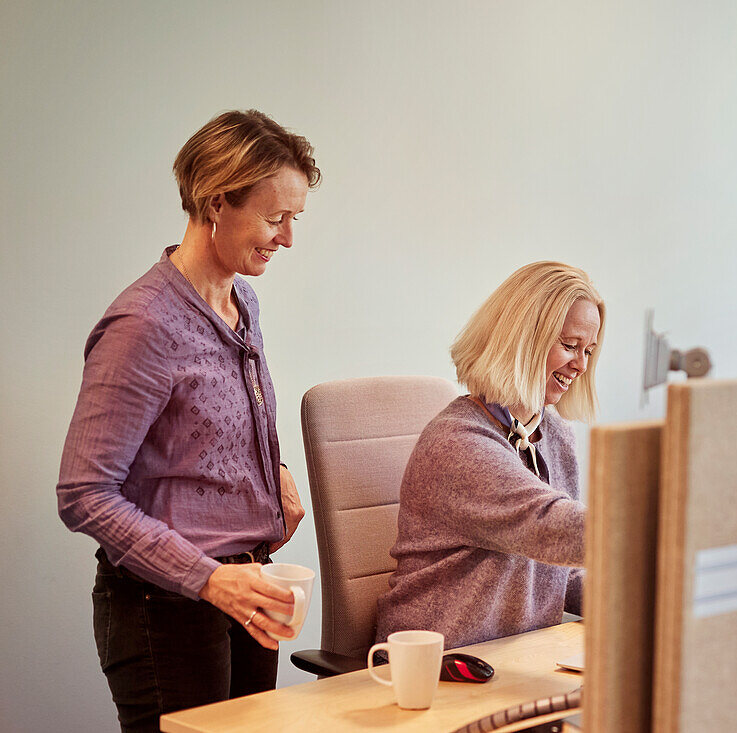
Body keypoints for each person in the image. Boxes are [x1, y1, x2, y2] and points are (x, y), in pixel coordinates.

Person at [57, 110, 320, 732]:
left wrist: (272, 474)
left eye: (295, 220)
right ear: (216, 201)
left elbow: (205, 432)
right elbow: (83, 493)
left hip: (246, 595)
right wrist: (208, 580)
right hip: (165, 608)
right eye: (274, 217)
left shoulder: (242, 302)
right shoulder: (144, 325)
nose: (287, 239)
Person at [375, 261, 604, 650]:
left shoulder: (554, 436)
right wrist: (667, 522)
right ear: (524, 340)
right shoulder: (459, 443)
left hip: (513, 662)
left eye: (589, 351)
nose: (581, 365)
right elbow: (548, 526)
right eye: (568, 346)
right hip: (435, 666)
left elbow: (561, 570)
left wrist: (642, 599)